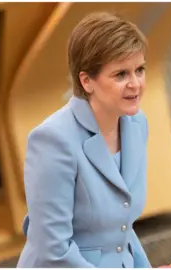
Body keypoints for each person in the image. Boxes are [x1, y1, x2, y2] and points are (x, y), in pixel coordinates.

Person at [17, 12, 151, 268]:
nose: (135, 84)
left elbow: (122, 230)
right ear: (86, 81)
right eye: (121, 74)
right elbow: (54, 251)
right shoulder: (52, 140)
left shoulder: (136, 124)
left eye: (140, 70)